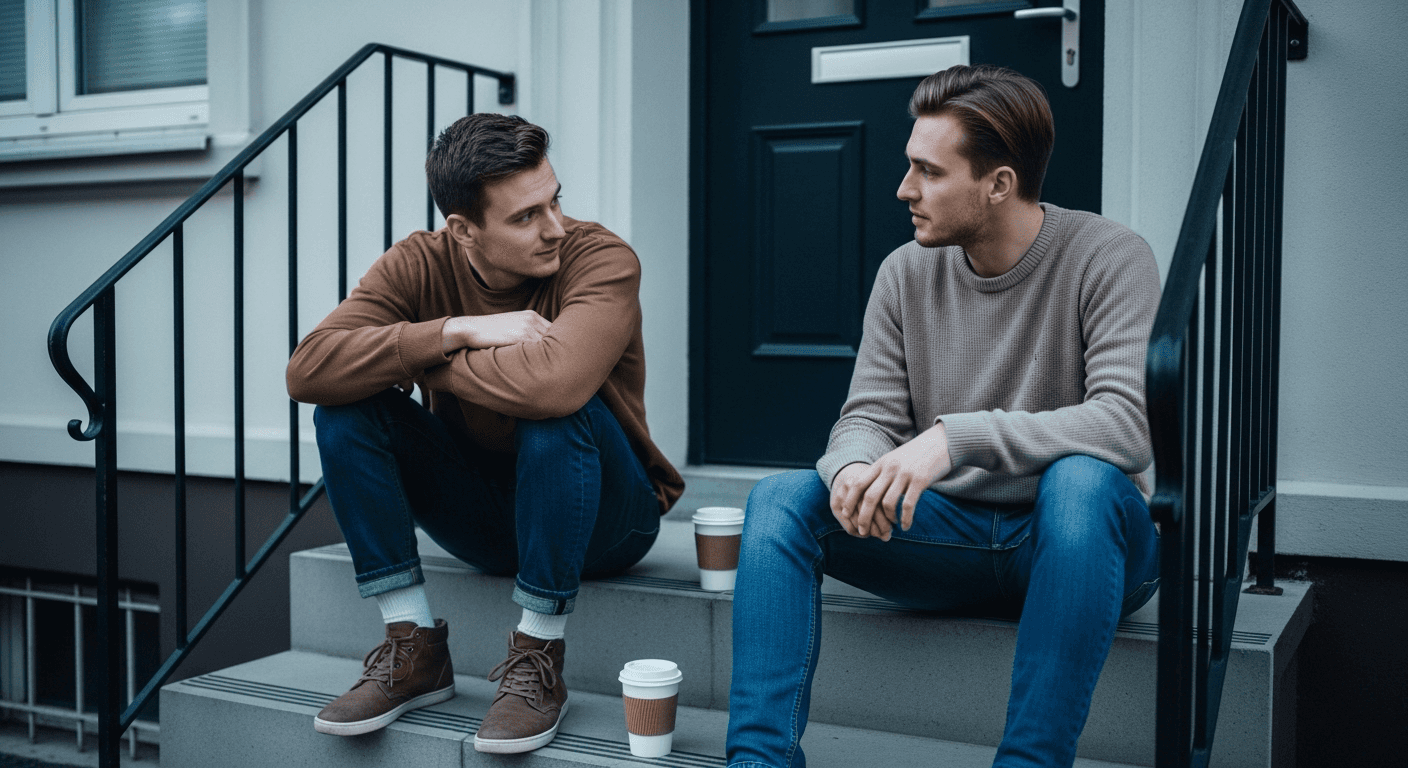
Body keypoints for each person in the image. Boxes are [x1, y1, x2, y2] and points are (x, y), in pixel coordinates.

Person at [725, 65, 1162, 768]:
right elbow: (866, 414)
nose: (904, 190)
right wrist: (856, 470)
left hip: (1080, 544)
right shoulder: (905, 271)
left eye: (928, 172)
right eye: (909, 167)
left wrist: (954, 440)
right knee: (780, 500)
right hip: (946, 537)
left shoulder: (1109, 257)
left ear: (998, 184)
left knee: (1080, 482)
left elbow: (1124, 425)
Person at [286, 113, 683, 754]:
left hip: (608, 520)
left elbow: (554, 386)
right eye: (526, 216)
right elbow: (308, 369)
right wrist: (455, 330)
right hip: (484, 521)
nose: (554, 226)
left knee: (558, 412)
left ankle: (537, 654)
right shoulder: (419, 262)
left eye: (555, 201)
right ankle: (412, 644)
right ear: (464, 229)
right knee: (344, 409)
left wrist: (421, 357)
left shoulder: (600, 258)